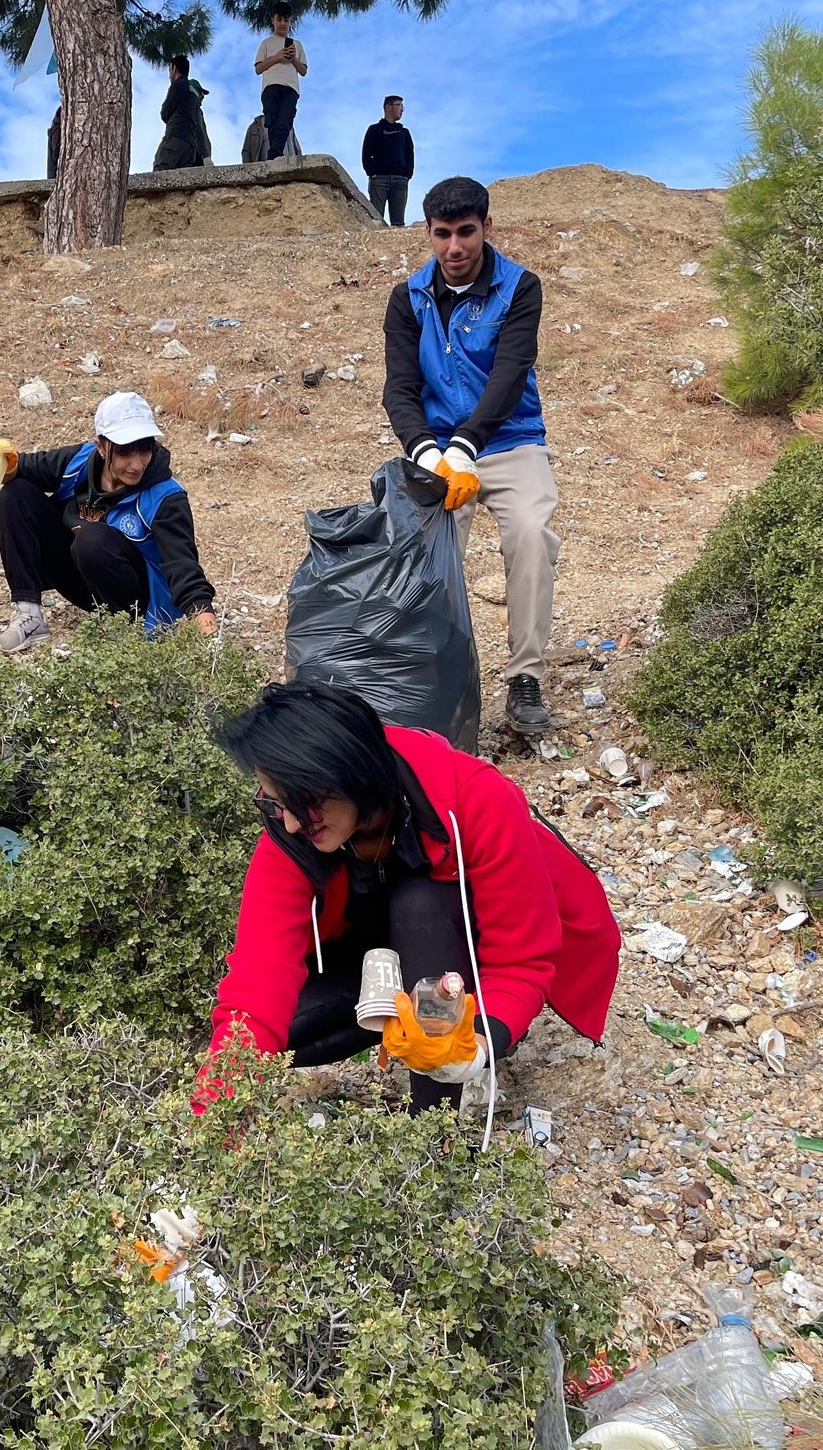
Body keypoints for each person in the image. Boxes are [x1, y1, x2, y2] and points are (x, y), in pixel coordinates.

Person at [199, 681, 620, 1114]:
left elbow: (520, 960)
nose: (289, 823)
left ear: (350, 776)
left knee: (419, 904)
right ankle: (406, 1036)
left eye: (301, 804)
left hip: (466, 956)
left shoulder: (478, 798)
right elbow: (258, 979)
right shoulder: (293, 838)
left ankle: (436, 1130)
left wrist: (478, 1041)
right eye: (274, 804)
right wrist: (214, 1113)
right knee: (278, 1029)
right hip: (379, 961)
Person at [381, 175, 555, 735]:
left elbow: (508, 377)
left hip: (509, 440)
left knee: (531, 534)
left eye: (465, 232)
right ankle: (442, 679)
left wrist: (465, 445)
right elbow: (400, 390)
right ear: (427, 233)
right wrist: (429, 454)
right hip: (435, 451)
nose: (454, 248)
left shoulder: (519, 288)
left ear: (486, 227)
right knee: (430, 553)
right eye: (441, 234)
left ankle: (524, 676)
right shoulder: (407, 299)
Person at [0, 391, 219, 652]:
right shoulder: (79, 461)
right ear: (101, 446)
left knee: (92, 539)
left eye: (145, 449)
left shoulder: (166, 498)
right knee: (16, 493)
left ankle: (127, 636)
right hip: (85, 580)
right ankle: (29, 616)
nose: (137, 464)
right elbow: (24, 466)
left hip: (140, 603)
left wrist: (210, 639)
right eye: (125, 453)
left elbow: (183, 567)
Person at [252, 5, 307, 160]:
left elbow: (303, 71)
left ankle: (275, 155)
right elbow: (258, 68)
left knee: (284, 122)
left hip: (291, 88)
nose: (282, 23)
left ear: (290, 21)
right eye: (279, 19)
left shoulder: (297, 44)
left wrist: (293, 58)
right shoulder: (266, 43)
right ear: (273, 20)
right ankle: (275, 155)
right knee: (272, 122)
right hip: (271, 86)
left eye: (286, 20)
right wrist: (277, 57)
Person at [361, 94, 414, 226]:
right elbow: (366, 153)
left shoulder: (404, 132)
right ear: (388, 107)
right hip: (379, 180)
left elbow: (410, 155)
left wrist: (407, 175)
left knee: (398, 222)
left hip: (400, 181)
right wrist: (372, 173)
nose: (402, 109)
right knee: (375, 220)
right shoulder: (374, 130)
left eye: (402, 106)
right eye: (399, 105)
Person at [152, 56, 212, 171]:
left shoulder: (179, 85)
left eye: (170, 71)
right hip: (190, 148)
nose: (202, 96)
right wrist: (206, 155)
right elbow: (199, 130)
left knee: (160, 172)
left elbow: (164, 113)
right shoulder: (195, 104)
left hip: (175, 139)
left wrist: (205, 155)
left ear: (174, 69)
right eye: (201, 92)